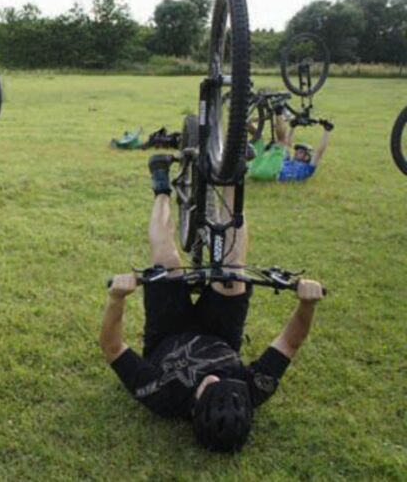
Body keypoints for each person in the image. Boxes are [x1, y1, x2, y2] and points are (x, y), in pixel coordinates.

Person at [99, 156, 324, 452]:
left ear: (194, 408)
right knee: (232, 268)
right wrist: (307, 305)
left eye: (209, 385)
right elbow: (290, 343)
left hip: (168, 333)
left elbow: (112, 347)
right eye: (224, 382)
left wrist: (117, 298)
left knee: (165, 259)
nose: (214, 376)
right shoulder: (254, 389)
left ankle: (161, 188)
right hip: (219, 332)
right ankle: (233, 176)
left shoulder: (162, 397)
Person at [248, 111, 333, 182]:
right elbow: (288, 144)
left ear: (307, 157)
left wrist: (327, 130)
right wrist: (292, 127)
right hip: (255, 169)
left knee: (281, 141)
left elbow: (319, 152)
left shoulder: (307, 169)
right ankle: (242, 119)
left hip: (271, 174)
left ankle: (278, 111)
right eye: (296, 151)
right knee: (258, 135)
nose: (296, 152)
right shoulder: (288, 161)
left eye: (300, 152)